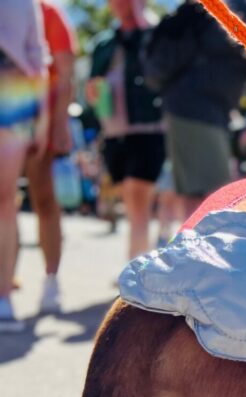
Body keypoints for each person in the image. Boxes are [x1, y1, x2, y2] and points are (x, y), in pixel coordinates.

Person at [144, 0, 246, 219]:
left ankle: (194, 248)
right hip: (195, 110)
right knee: (210, 196)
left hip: (193, 109)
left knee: (200, 193)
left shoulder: (240, 9)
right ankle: (195, 250)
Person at [87, 0, 165, 263]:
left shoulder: (154, 34)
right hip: (114, 132)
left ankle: (136, 267)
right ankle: (138, 263)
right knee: (132, 203)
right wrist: (94, 93)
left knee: (137, 200)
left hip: (148, 128)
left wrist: (143, 21)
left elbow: (162, 71)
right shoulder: (104, 43)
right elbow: (91, 87)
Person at [24, 0, 76, 314]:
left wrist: (58, 124)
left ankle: (51, 279)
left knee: (43, 198)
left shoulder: (49, 13)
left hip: (39, 121)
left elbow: (66, 73)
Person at [0, 0, 48, 332]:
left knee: (3, 201)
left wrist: (42, 119)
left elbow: (37, 55)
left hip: (12, 90)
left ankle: (2, 295)